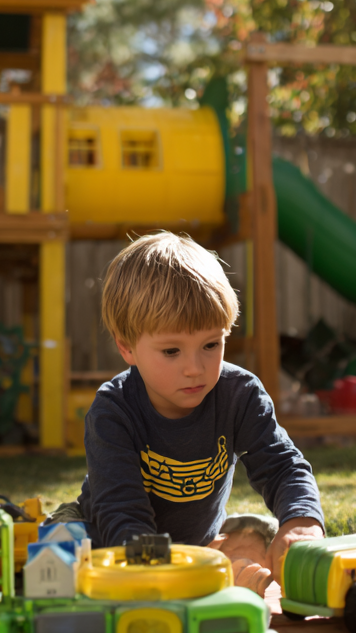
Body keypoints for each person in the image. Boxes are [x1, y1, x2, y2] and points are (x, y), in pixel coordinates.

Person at [48, 232, 325, 595]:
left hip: (197, 543)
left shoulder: (239, 394)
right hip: (109, 539)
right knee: (59, 559)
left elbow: (281, 465)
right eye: (171, 351)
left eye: (211, 344)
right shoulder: (113, 410)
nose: (195, 368)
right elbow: (121, 512)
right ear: (127, 347)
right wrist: (163, 577)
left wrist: (302, 522)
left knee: (270, 539)